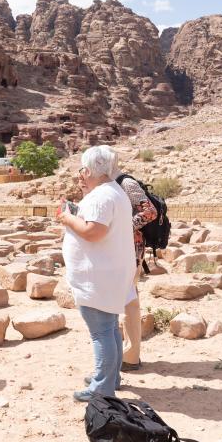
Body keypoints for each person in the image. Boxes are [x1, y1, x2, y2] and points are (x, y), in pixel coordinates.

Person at [55, 145, 136, 403]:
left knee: (101, 332)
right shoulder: (113, 192)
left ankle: (102, 387)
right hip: (108, 273)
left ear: (90, 170)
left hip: (98, 277)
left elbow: (94, 232)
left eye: (82, 169)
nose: (80, 174)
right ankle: (109, 377)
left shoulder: (103, 196)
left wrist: (67, 218)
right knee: (109, 328)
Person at [115, 170, 158, 372]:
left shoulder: (127, 184)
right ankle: (125, 354)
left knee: (129, 301)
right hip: (121, 249)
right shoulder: (109, 183)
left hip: (132, 249)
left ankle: (130, 357)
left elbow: (150, 212)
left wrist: (122, 228)